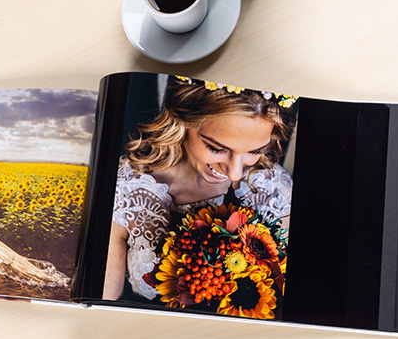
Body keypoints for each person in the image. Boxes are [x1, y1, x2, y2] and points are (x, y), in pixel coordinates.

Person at [103, 76, 297, 301]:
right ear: (182, 122)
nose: (234, 172)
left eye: (255, 151)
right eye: (216, 148)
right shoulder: (126, 189)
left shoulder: (273, 190)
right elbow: (104, 300)